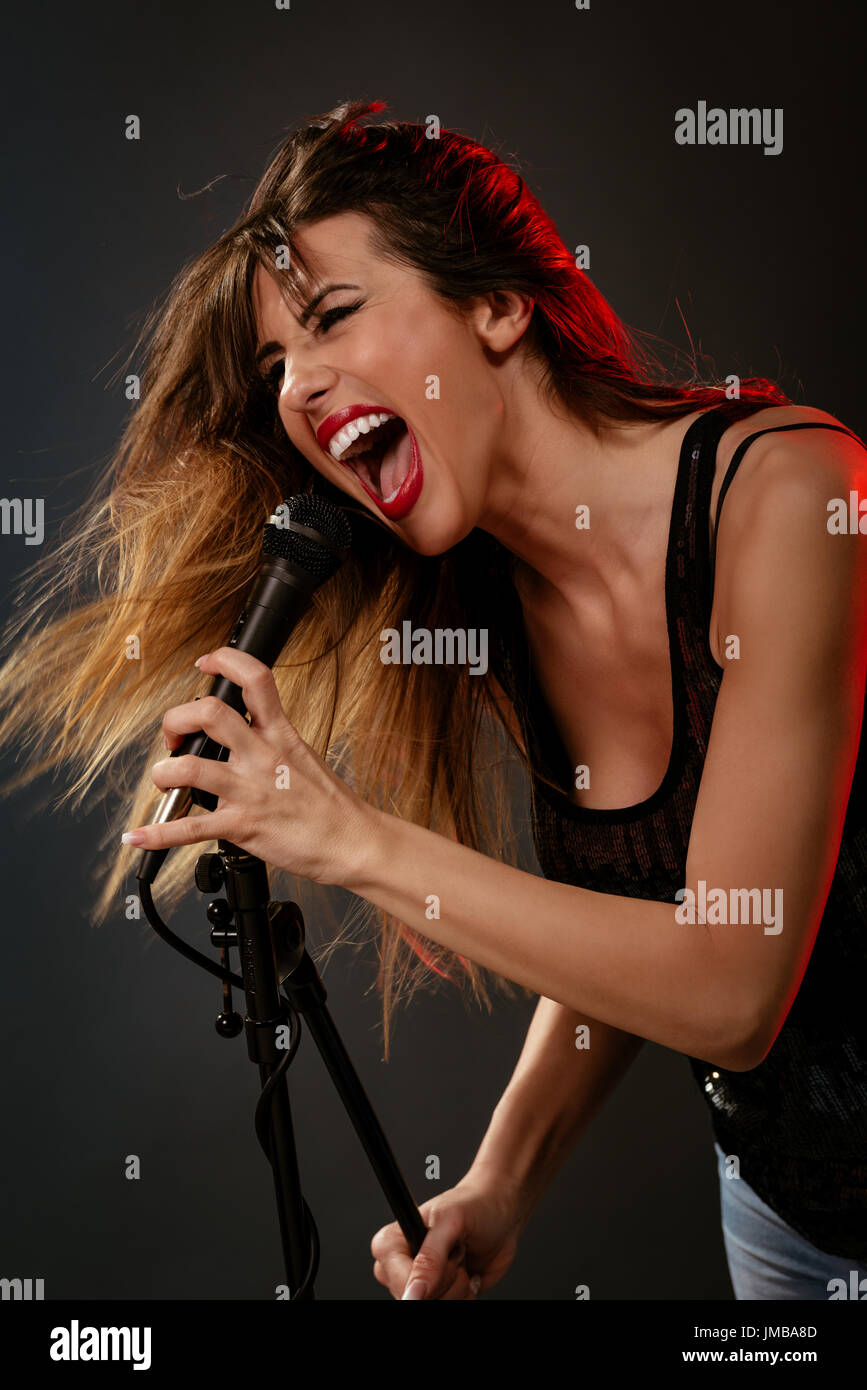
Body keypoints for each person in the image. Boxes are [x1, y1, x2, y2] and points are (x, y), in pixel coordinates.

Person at [2, 99, 865, 1302]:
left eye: (334, 318)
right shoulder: (496, 597)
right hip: (778, 1220)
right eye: (277, 366)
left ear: (501, 304)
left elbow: (728, 985)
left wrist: (349, 838)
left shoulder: (793, 494)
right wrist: (500, 1181)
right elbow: (628, 917)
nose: (302, 386)